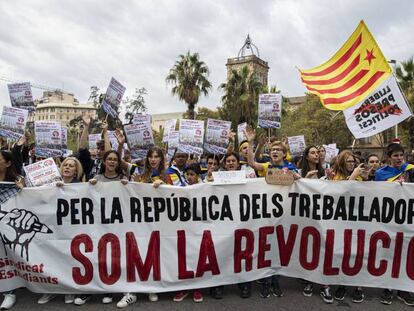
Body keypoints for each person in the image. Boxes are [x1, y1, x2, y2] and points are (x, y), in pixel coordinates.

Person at [75, 150, 128, 306]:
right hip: (99, 224)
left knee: (115, 256)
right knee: (98, 256)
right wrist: (89, 187)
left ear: (118, 163)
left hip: (118, 224)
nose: (112, 162)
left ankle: (110, 289)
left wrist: (127, 186)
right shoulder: (96, 179)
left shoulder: (123, 179)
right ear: (104, 161)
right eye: (109, 159)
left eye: (115, 160)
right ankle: (95, 289)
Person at [116, 147, 167, 308]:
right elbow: (118, 161)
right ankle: (132, 291)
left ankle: (152, 286)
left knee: (154, 254)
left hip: (159, 222)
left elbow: (180, 193)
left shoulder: (168, 175)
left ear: (161, 159)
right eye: (150, 156)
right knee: (137, 253)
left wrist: (164, 185)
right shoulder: (137, 172)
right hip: (139, 221)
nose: (153, 159)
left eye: (156, 156)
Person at [37, 157, 83, 305]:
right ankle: (50, 290)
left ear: (76, 170)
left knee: (68, 259)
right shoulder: (50, 185)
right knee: (52, 258)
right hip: (53, 228)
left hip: (71, 229)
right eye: (65, 165)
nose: (67, 168)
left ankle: (67, 290)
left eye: (71, 166)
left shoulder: (81, 186)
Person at [375, 143, 414, 306]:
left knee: (406, 253)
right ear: (389, 157)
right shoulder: (380, 173)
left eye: (401, 155)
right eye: (395, 156)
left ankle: (403, 289)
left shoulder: (410, 169)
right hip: (389, 219)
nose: (399, 159)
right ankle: (387, 288)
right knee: (389, 253)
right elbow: (375, 194)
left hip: (408, 219)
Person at [328, 150, 366, 303]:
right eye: (348, 161)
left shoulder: (360, 177)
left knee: (359, 253)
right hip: (341, 221)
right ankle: (342, 284)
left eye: (353, 162)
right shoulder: (335, 176)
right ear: (342, 162)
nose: (351, 164)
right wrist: (353, 176)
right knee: (342, 253)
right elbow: (339, 192)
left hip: (359, 220)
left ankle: (359, 287)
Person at [172, 163, 204, 303]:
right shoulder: (180, 187)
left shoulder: (205, 187)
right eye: (188, 174)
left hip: (199, 228)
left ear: (197, 176)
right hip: (184, 227)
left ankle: (197, 288)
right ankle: (183, 287)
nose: (189, 177)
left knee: (197, 258)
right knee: (183, 258)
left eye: (192, 175)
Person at [0, 150, 24, 310]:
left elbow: (27, 201)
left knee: (6, 257)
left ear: (8, 163)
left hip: (7, 227)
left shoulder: (16, 181)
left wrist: (23, 189)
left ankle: (10, 292)